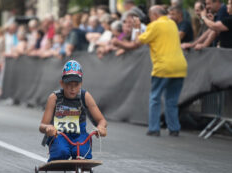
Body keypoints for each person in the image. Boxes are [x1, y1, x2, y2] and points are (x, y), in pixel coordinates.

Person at [114, 6, 187, 136]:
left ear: (154, 15)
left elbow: (136, 42)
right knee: (171, 100)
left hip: (163, 66)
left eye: (150, 15)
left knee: (155, 98)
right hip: (180, 66)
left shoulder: (154, 26)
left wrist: (135, 28)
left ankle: (154, 128)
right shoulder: (173, 24)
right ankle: (174, 128)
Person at [39, 60, 107, 162]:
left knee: (82, 153)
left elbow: (102, 120)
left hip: (80, 136)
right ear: (61, 83)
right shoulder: (54, 98)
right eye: (68, 84)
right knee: (61, 153)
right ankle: (60, 153)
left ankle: (78, 155)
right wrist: (48, 127)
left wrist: (101, 128)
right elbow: (42, 126)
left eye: (76, 84)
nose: (72, 88)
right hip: (60, 135)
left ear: (81, 83)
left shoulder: (85, 96)